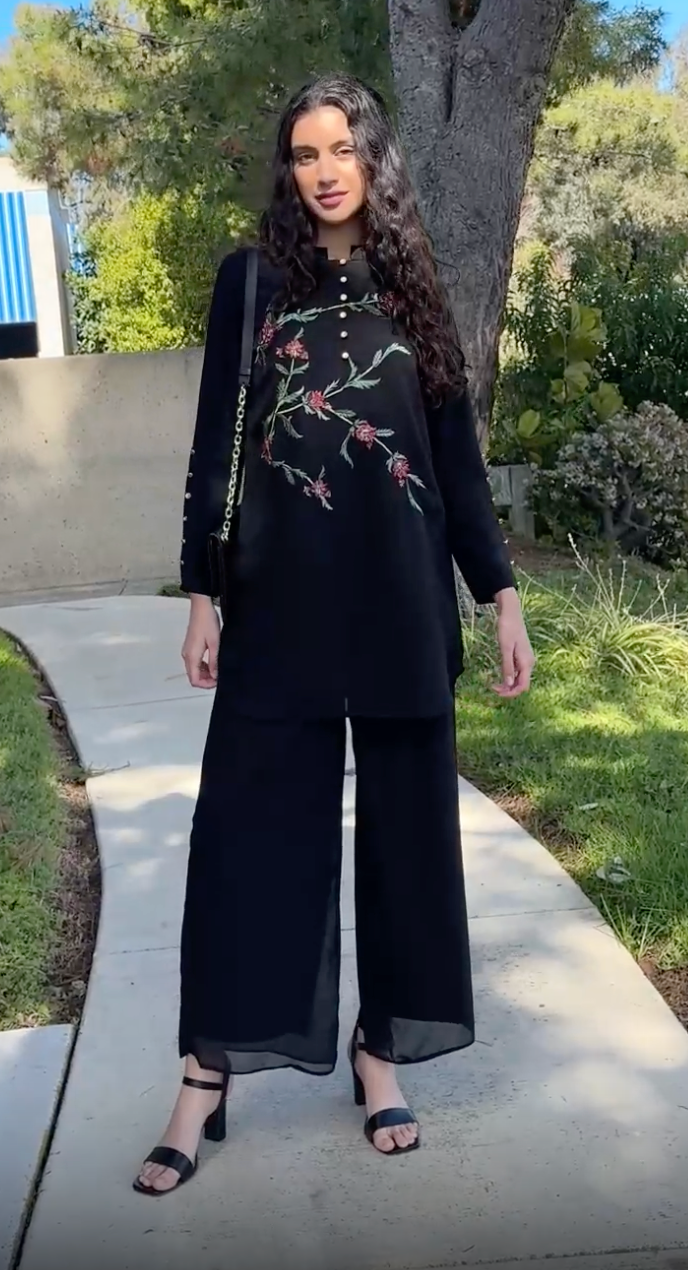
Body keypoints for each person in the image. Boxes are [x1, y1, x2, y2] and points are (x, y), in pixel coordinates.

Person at [133, 72, 534, 1196]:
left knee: (408, 840)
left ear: (371, 161)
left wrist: (497, 594)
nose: (321, 169)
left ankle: (381, 1048)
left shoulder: (414, 292)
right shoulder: (251, 282)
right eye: (303, 151)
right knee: (249, 834)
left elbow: (454, 464)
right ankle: (206, 1071)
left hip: (401, 600)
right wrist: (202, 591)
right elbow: (215, 451)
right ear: (288, 167)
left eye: (340, 149)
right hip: (280, 603)